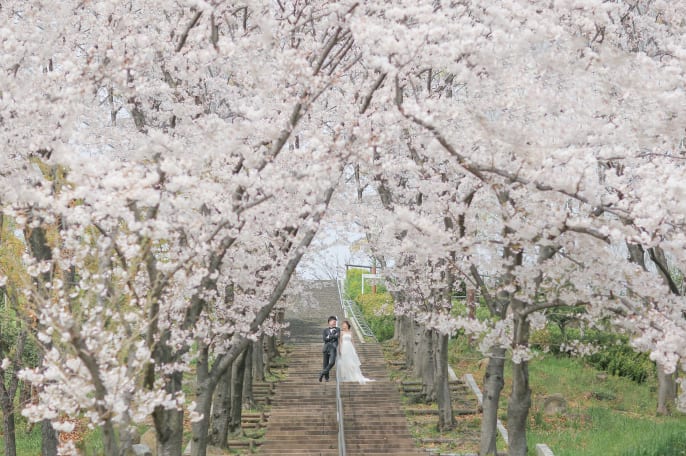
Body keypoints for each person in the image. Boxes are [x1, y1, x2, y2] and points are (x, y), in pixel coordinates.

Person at [337, 320, 374, 384]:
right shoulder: (341, 332)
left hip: (350, 347)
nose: (343, 325)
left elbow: (352, 341)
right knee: (345, 362)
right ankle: (346, 376)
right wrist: (340, 349)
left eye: (344, 324)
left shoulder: (350, 332)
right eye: (343, 324)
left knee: (352, 362)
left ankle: (353, 375)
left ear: (347, 325)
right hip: (344, 347)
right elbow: (340, 341)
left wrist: (354, 349)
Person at [319, 316, 339, 382]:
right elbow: (324, 339)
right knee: (325, 364)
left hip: (333, 348)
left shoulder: (337, 329)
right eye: (333, 322)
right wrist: (332, 336)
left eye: (335, 322)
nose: (335, 323)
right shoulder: (325, 330)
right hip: (326, 348)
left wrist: (329, 337)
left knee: (332, 362)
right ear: (329, 322)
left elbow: (337, 336)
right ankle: (326, 378)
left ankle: (322, 373)